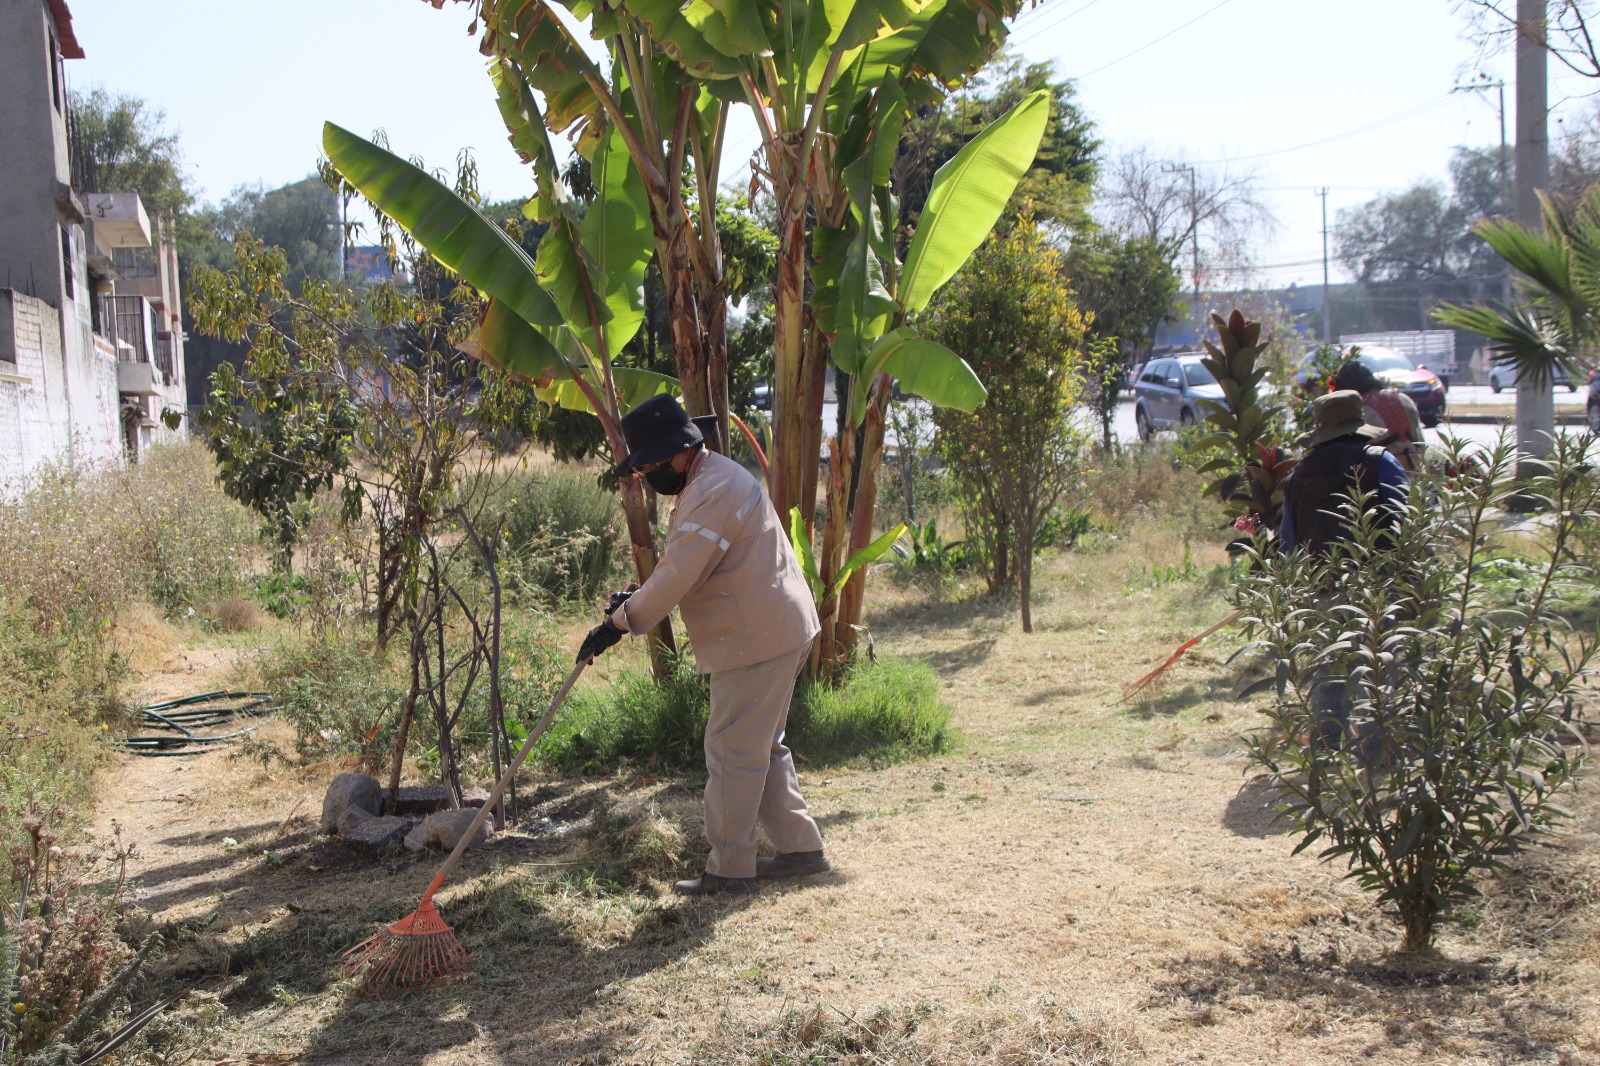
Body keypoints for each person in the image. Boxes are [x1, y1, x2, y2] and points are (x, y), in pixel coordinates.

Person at [576, 395, 829, 897]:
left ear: (682, 450)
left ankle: (730, 870)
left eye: (650, 463)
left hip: (757, 638)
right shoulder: (710, 481)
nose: (647, 473)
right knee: (759, 747)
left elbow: (678, 574)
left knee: (733, 751)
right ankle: (801, 849)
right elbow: (688, 566)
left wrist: (621, 622)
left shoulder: (712, 489)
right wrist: (635, 601)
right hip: (772, 629)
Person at [1280, 390, 1411, 760]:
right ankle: (1377, 747)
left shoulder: (1298, 475)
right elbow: (1409, 515)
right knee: (1378, 664)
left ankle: (1326, 745)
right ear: (1357, 426)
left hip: (1323, 586)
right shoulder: (1378, 461)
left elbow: (1288, 542)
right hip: (1374, 585)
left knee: (1329, 667)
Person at [1331, 359, 1426, 472]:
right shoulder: (1402, 398)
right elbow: (1421, 441)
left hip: (1382, 473)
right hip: (1416, 467)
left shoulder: (1357, 407)